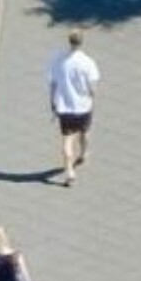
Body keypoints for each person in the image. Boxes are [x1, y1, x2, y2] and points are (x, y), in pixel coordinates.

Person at [46, 29, 100, 185]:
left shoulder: (58, 60)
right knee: (85, 132)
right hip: (83, 106)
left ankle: (69, 170)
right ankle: (83, 154)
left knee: (67, 140)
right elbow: (93, 86)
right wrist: (92, 97)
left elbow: (53, 83)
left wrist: (53, 102)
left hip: (65, 108)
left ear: (69, 41)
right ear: (81, 42)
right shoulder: (88, 62)